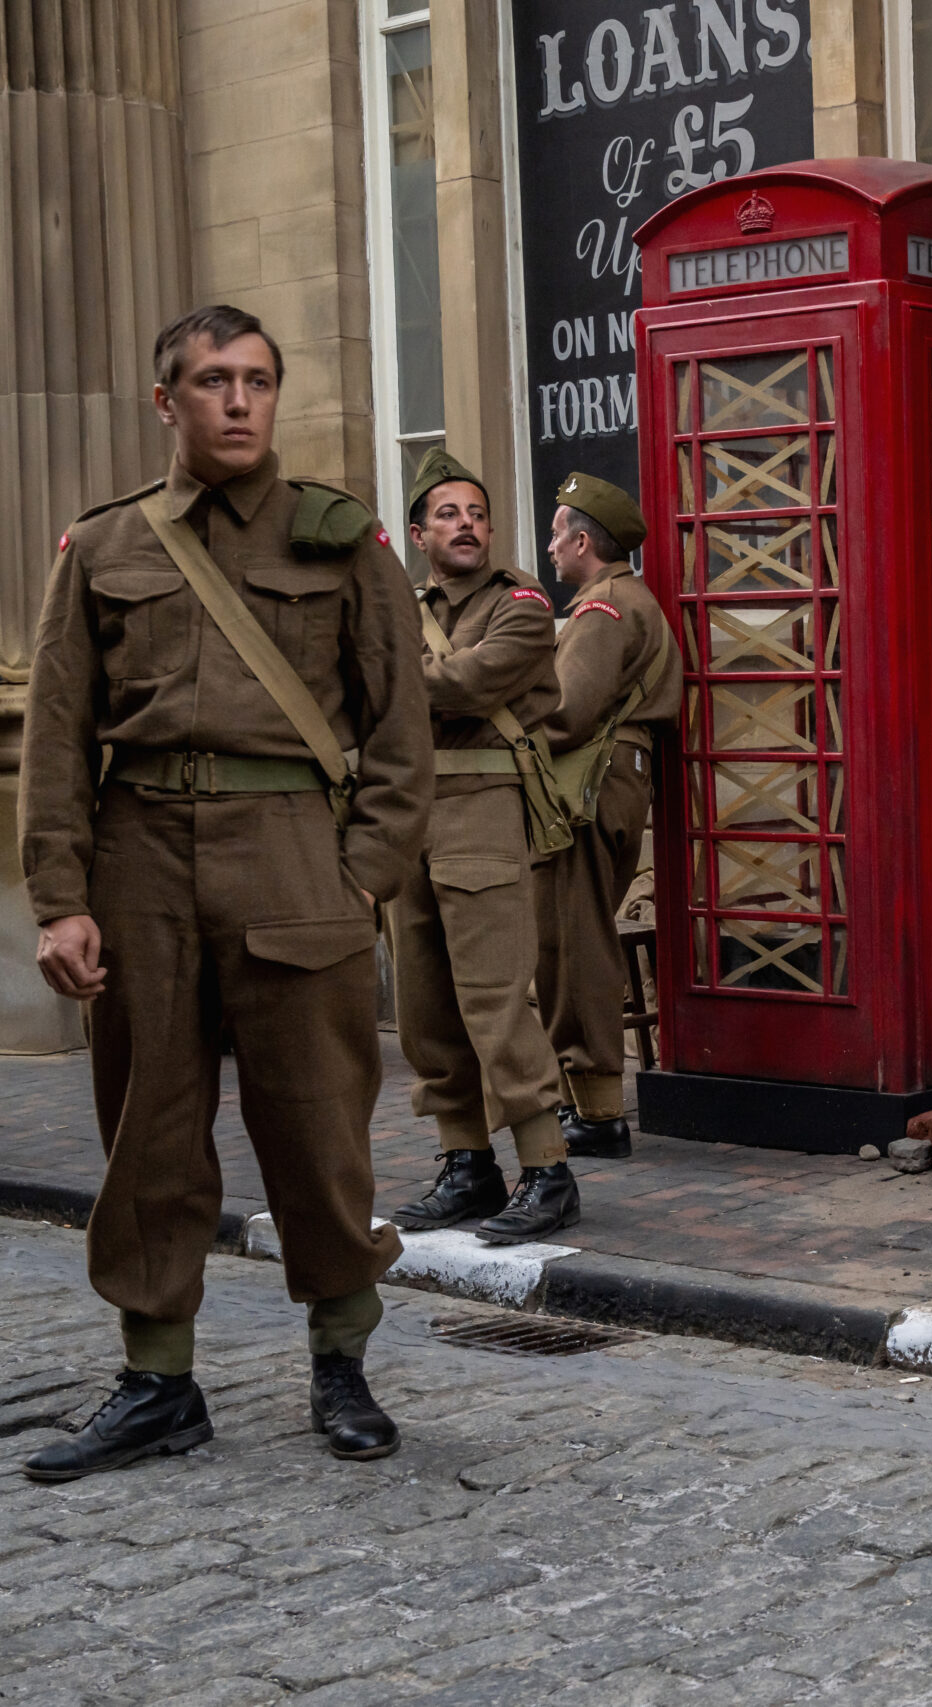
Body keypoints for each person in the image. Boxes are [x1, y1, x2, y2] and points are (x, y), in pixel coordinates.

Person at [19, 304, 431, 1478]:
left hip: (296, 854)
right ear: (169, 404)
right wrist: (61, 895)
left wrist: (358, 877)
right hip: (138, 856)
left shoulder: (340, 543)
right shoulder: (104, 550)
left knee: (316, 1125)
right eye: (211, 381)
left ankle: (342, 1363)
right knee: (146, 1132)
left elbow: (399, 736)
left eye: (256, 380)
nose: (238, 401)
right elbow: (57, 740)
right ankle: (158, 1382)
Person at [381, 450, 580, 1244]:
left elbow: (465, 686)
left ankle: (547, 1166)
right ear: (419, 533)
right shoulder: (404, 606)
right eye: (448, 514)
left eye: (476, 514)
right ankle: (467, 1162)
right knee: (426, 1007)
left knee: (495, 998)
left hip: (483, 811)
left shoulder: (523, 603)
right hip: (409, 812)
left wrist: (397, 675)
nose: (466, 525)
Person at [533, 474, 677, 1160]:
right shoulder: (634, 598)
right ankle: (584, 1100)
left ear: (583, 540)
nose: (550, 546)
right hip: (624, 778)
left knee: (572, 942)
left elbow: (564, 712)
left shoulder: (602, 609)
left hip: (589, 785)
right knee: (578, 933)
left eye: (558, 532)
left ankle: (593, 1109)